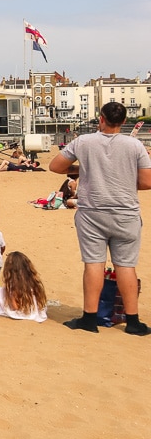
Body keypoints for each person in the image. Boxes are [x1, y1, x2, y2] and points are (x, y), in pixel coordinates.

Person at [49, 101, 151, 335]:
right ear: (124, 121)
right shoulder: (135, 145)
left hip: (93, 211)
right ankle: (133, 321)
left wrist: (85, 170)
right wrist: (123, 179)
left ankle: (89, 318)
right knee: (126, 266)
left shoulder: (84, 141)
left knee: (94, 263)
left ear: (100, 118)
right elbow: (147, 182)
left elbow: (56, 166)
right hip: (125, 212)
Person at [0, 251, 48, 322]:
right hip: (34, 311)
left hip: (21, 313)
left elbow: (15, 307)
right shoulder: (33, 282)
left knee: (0, 291)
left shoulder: (13, 287)